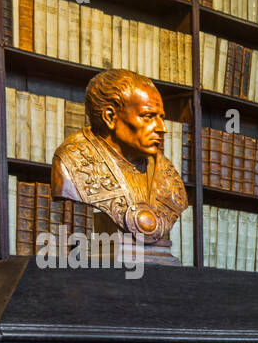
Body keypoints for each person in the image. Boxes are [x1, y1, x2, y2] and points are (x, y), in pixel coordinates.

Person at [50, 68, 188, 260]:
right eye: (148, 116)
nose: (162, 128)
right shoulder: (72, 161)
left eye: (161, 117)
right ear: (110, 117)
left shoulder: (167, 174)